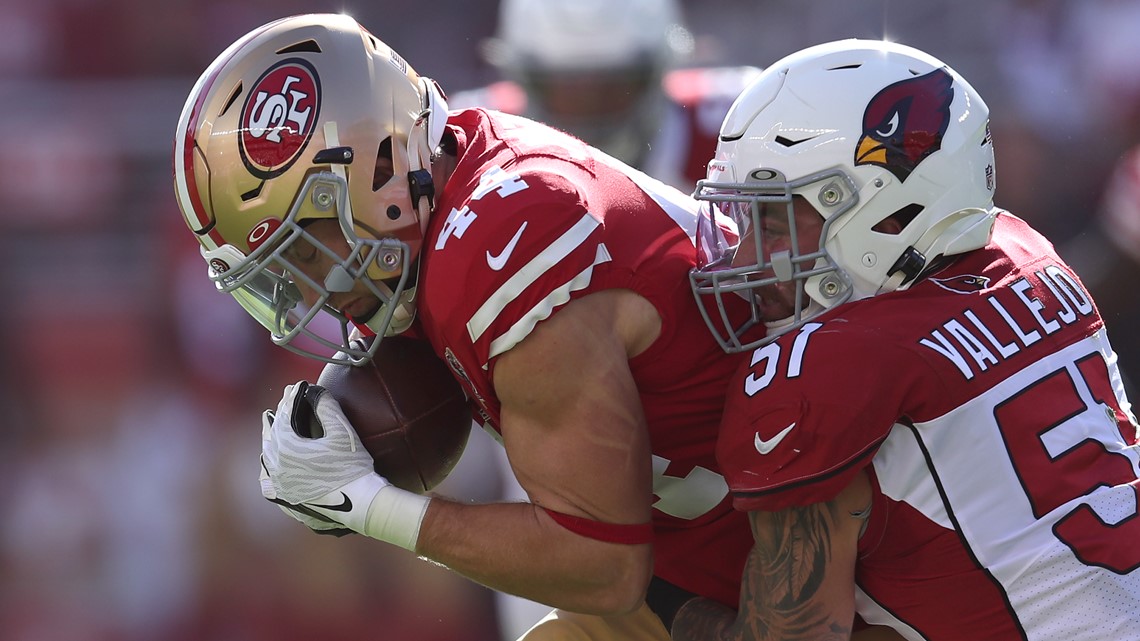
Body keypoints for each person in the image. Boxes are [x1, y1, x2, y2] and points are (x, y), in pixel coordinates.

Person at [172, 13, 759, 641]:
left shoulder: (503, 244)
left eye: (308, 251)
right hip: (709, 567)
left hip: (834, 557)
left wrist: (369, 505)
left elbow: (604, 566)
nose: (321, 295)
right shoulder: (453, 176)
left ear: (380, 170)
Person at [669, 39, 1140, 640]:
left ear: (889, 213)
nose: (748, 253)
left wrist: (657, 603)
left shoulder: (826, 365)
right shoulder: (1029, 259)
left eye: (773, 217)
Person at [449, 0, 760, 192]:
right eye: (568, 92)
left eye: (612, 89)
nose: (590, 113)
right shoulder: (470, 141)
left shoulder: (737, 126)